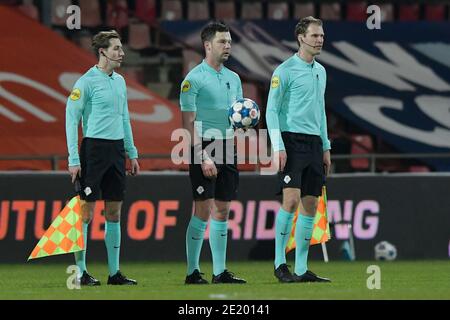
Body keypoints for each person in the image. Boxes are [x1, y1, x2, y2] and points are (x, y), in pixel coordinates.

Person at [65, 30, 139, 286]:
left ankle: (114, 273)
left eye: (121, 48)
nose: (121, 53)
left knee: (114, 212)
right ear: (103, 52)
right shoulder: (85, 82)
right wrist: (73, 159)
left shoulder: (119, 81)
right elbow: (71, 120)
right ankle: (81, 273)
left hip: (117, 150)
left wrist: (131, 152)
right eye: (117, 48)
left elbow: (125, 117)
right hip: (94, 150)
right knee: (85, 213)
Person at [179, 21, 246, 284]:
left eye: (229, 41)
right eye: (222, 41)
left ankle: (220, 272)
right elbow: (187, 123)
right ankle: (192, 272)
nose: (227, 45)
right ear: (207, 45)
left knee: (223, 209)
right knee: (202, 209)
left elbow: (237, 115)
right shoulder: (193, 79)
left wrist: (243, 126)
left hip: (227, 145)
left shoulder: (235, 78)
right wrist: (203, 156)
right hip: (203, 145)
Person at [266, 17, 332, 283]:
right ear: (301, 38)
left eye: (322, 36)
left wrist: (325, 145)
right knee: (290, 201)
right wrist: (278, 145)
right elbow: (271, 110)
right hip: (291, 141)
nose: (320, 40)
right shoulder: (285, 70)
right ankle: (280, 264)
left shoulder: (321, 71)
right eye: (315, 35)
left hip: (314, 143)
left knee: (310, 204)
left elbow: (321, 111)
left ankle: (302, 268)